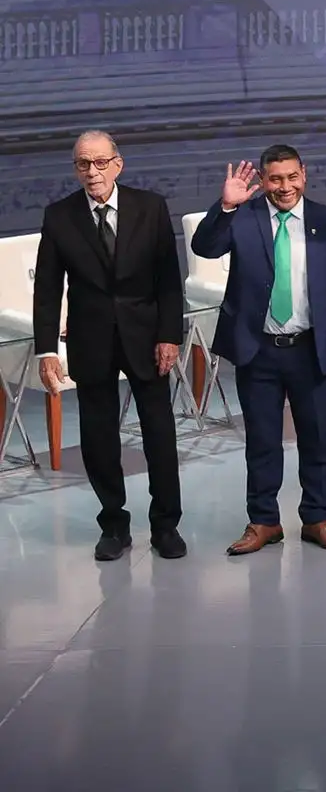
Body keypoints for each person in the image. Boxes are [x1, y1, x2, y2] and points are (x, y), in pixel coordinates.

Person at [191, 147, 326, 555]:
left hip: (312, 349)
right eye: (275, 179)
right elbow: (205, 247)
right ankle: (264, 521)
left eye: (291, 177)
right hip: (259, 351)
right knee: (262, 441)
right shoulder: (244, 216)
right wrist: (226, 206)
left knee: (318, 440)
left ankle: (318, 517)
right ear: (263, 181)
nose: (284, 187)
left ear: (304, 174)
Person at [33, 130, 186, 561]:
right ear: (75, 168)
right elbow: (48, 289)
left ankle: (166, 526)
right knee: (99, 438)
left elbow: (169, 281)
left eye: (100, 162)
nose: (92, 172)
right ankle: (114, 526)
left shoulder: (150, 207)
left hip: (147, 339)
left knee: (159, 434)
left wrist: (169, 335)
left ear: (118, 163)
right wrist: (47, 349)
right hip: (90, 340)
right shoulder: (59, 216)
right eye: (84, 163)